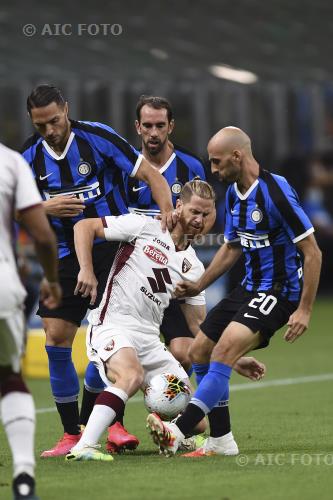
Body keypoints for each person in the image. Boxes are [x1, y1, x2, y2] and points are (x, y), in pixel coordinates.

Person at [146, 126, 322, 457]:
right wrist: (198, 285)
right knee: (199, 351)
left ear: (237, 156)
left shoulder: (276, 192)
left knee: (224, 350)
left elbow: (313, 252)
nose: (212, 169)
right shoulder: (233, 195)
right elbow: (231, 247)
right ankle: (221, 440)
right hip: (248, 288)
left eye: (216, 162)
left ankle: (177, 431)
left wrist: (305, 309)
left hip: (280, 291)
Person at [21, 84, 176, 458]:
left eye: (55, 121)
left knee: (114, 336)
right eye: (41, 125)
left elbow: (152, 176)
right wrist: (44, 208)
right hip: (63, 255)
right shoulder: (27, 157)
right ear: (33, 121)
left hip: (113, 248)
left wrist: (167, 217)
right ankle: (71, 434)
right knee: (56, 336)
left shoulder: (98, 137)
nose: (50, 131)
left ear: (67, 111)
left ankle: (111, 423)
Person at [65, 179, 265, 461]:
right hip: (112, 323)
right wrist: (86, 269)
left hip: (149, 340)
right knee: (130, 375)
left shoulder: (194, 267)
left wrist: (233, 357)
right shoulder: (144, 227)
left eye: (207, 215)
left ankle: (168, 432)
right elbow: (83, 227)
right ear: (179, 206)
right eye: (194, 211)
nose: (199, 220)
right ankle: (83, 446)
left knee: (197, 420)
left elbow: (199, 327)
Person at [127, 95, 209, 372]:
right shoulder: (123, 165)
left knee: (185, 352)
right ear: (137, 127)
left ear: (171, 126)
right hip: (130, 277)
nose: (153, 133)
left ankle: (172, 412)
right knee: (119, 354)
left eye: (160, 125)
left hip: (172, 273)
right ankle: (102, 416)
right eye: (147, 125)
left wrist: (191, 235)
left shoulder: (191, 167)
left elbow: (207, 214)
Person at [0, 143, 61, 499]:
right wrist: (52, 280)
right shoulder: (10, 162)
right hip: (3, 286)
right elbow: (42, 235)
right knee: (9, 376)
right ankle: (23, 475)